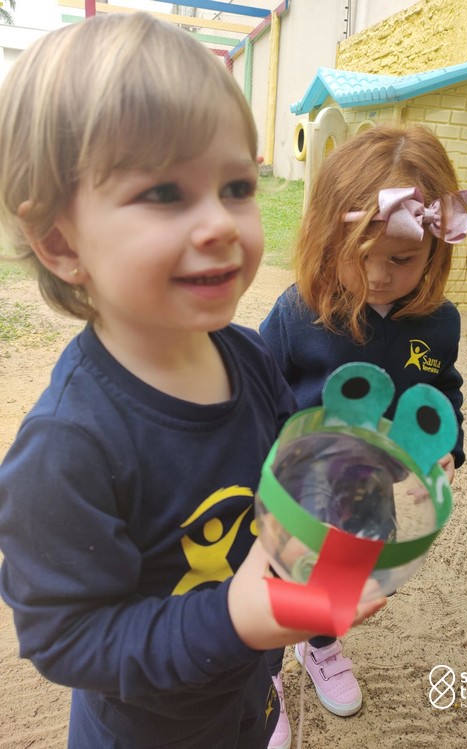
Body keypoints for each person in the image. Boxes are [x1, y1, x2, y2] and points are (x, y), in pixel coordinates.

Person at [0, 14, 385, 749]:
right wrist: (236, 617)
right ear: (59, 240)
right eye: (164, 193)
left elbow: (284, 464)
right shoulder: (68, 446)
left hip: (246, 695)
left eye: (237, 185)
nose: (220, 223)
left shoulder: (248, 355)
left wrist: (339, 491)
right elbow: (65, 637)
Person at [260, 124, 467, 732]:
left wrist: (446, 445)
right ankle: (264, 675)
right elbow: (256, 388)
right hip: (296, 489)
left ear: (436, 250)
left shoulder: (439, 323)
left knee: (342, 583)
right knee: (280, 578)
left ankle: (320, 646)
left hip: (372, 495)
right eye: (360, 256)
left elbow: (442, 392)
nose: (378, 276)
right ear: (329, 241)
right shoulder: (299, 311)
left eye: (401, 260)